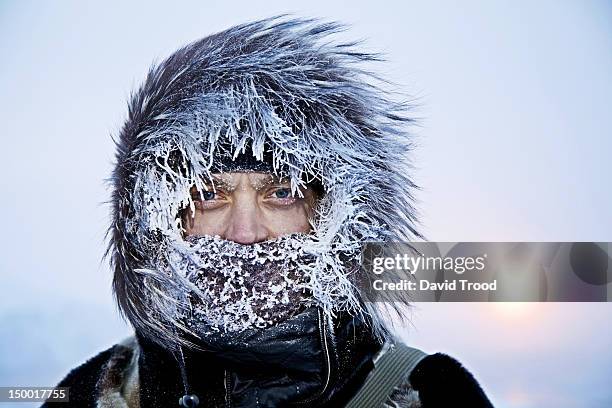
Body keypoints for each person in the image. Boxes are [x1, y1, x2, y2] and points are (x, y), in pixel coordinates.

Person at [45, 16, 493, 408]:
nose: (245, 232)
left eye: (281, 194)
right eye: (208, 194)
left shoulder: (434, 392)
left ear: (334, 216)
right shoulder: (93, 390)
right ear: (159, 218)